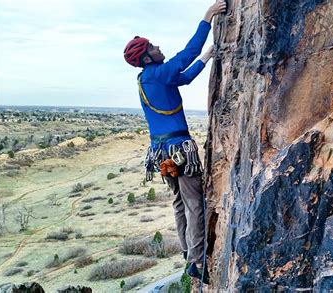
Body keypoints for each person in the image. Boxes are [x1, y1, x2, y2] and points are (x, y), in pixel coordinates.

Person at [123, 0, 227, 285]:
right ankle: (196, 260)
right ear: (146, 58)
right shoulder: (157, 72)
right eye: (153, 48)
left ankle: (186, 251)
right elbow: (185, 55)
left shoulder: (148, 78)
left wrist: (207, 57)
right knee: (195, 203)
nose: (158, 48)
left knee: (180, 202)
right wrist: (207, 18)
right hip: (179, 149)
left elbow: (184, 77)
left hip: (160, 151)